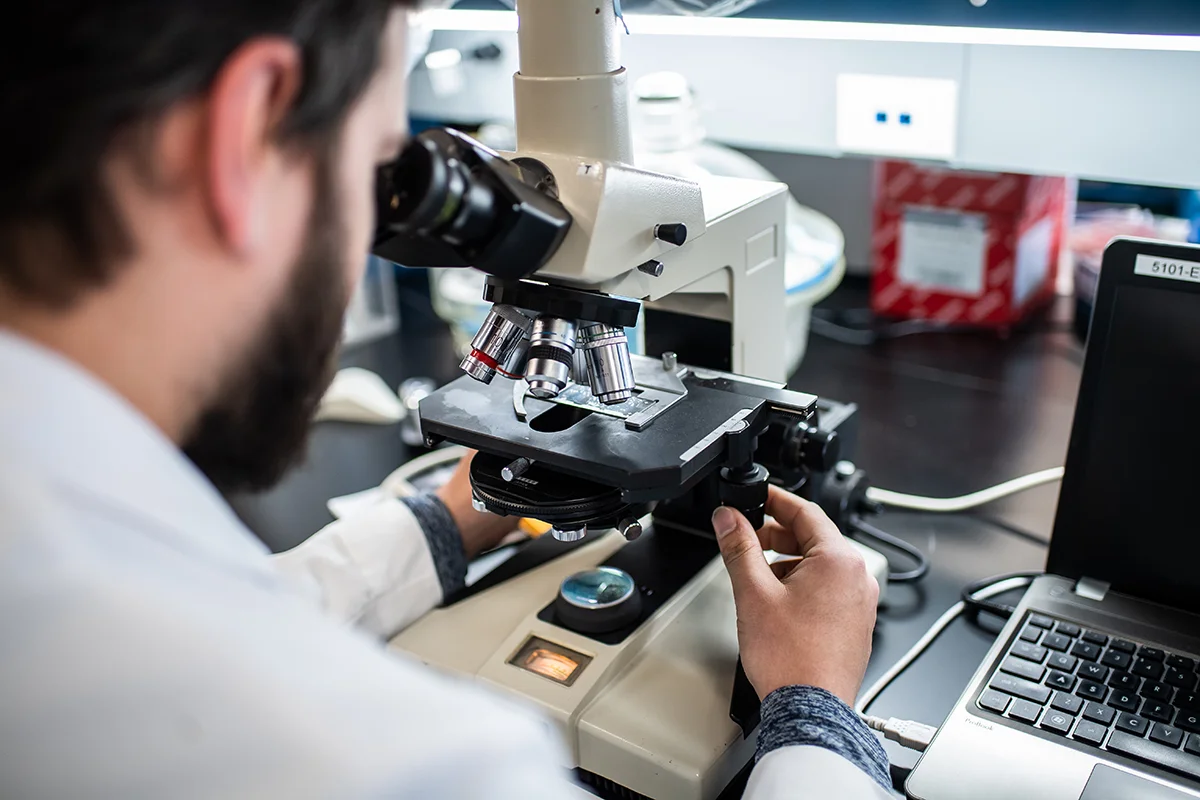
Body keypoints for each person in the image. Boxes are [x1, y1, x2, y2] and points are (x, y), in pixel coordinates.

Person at [0, 2, 890, 798]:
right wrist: (815, 715)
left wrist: (446, 519)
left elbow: (236, 610)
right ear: (248, 131)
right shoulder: (416, 765)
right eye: (382, 161)